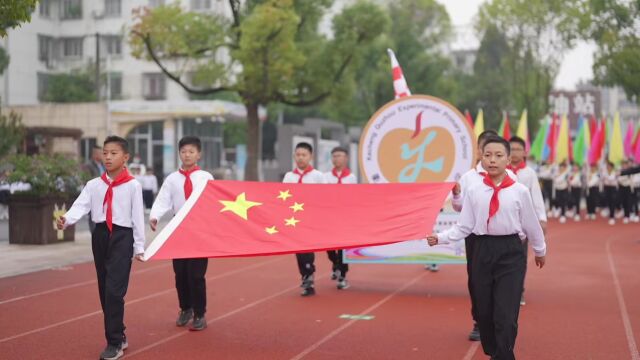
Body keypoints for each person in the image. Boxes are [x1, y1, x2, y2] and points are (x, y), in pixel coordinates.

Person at [426, 136, 546, 360]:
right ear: (481, 156)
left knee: (506, 313)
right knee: (484, 311)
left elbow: (531, 224)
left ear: (508, 159)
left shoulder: (519, 190)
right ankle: (495, 351)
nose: (493, 160)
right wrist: (439, 238)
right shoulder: (474, 190)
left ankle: (503, 355)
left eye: (499, 156)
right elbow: (464, 226)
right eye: (488, 155)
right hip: (482, 250)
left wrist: (540, 250)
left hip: (511, 251)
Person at [56, 136, 145, 360]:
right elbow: (80, 205)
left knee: (115, 291)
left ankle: (114, 342)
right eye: (105, 152)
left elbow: (137, 218)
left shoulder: (133, 185)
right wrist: (66, 219)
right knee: (105, 290)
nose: (108, 157)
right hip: (101, 236)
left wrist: (139, 246)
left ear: (125, 158)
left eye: (114, 153)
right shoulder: (94, 185)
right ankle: (120, 334)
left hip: (122, 237)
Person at [450, 129, 518, 342]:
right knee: (477, 281)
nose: (491, 157)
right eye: (486, 151)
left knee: (501, 282)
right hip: (475, 237)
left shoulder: (511, 177)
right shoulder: (469, 177)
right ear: (480, 151)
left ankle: (500, 322)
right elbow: (459, 207)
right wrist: (456, 194)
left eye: (497, 153)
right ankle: (480, 320)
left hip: (503, 239)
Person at [150, 136, 213, 331]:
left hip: (199, 230)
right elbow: (163, 200)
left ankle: (200, 314)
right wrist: (155, 216)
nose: (187, 155)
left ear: (199, 155)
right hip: (178, 230)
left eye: (191, 152)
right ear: (179, 154)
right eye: (184, 151)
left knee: (196, 275)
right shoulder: (172, 179)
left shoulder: (206, 177)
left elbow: (213, 201)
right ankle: (185, 308)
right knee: (180, 274)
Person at [283, 142, 326, 296]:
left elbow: (326, 196)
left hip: (310, 218)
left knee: (307, 248)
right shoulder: (289, 176)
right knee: (299, 249)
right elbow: (282, 195)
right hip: (294, 218)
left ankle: (309, 275)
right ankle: (306, 274)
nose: (300, 158)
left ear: (310, 156)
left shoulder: (318, 176)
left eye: (304, 155)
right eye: (298, 155)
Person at [507, 136, 547, 306]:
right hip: (504, 220)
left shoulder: (529, 173)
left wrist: (542, 219)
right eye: (511, 149)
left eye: (518, 149)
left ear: (524, 152)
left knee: (520, 259)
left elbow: (536, 196)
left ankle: (518, 290)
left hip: (522, 224)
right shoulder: (501, 170)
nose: (514, 152)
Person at [323, 146, 357, 290]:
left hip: (345, 218)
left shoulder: (351, 177)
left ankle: (342, 275)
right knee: (329, 247)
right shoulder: (325, 177)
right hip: (329, 217)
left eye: (339, 156)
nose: (336, 159)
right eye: (334, 156)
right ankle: (335, 264)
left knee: (343, 248)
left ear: (346, 158)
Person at [83, 145, 107, 232]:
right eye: (101, 153)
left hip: (105, 194)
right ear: (94, 154)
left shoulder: (103, 165)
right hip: (94, 194)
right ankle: (94, 233)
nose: (102, 155)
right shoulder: (88, 166)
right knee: (93, 215)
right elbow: (87, 180)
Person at [618, 160, 634, 224]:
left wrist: (624, 179)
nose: (624, 165)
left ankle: (628, 215)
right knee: (623, 202)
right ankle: (625, 215)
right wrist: (624, 179)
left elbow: (631, 180)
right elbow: (619, 180)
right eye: (623, 164)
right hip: (622, 188)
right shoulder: (620, 171)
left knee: (628, 202)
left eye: (625, 164)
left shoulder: (630, 171)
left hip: (628, 188)